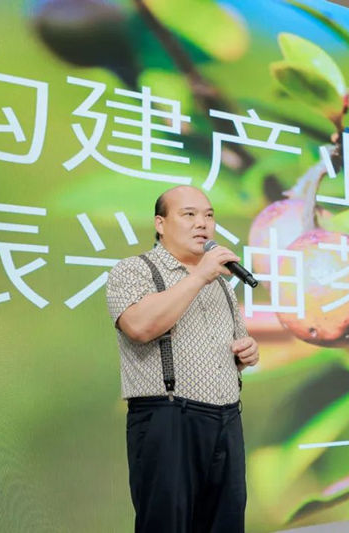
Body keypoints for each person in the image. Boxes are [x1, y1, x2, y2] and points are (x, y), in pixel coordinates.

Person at [106, 185, 259, 533]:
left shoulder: (221, 283)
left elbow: (234, 344)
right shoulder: (134, 270)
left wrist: (246, 352)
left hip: (226, 419)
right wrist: (198, 276)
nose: (202, 223)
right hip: (168, 417)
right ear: (160, 224)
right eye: (189, 215)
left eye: (209, 216)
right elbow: (140, 326)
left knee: (227, 521)